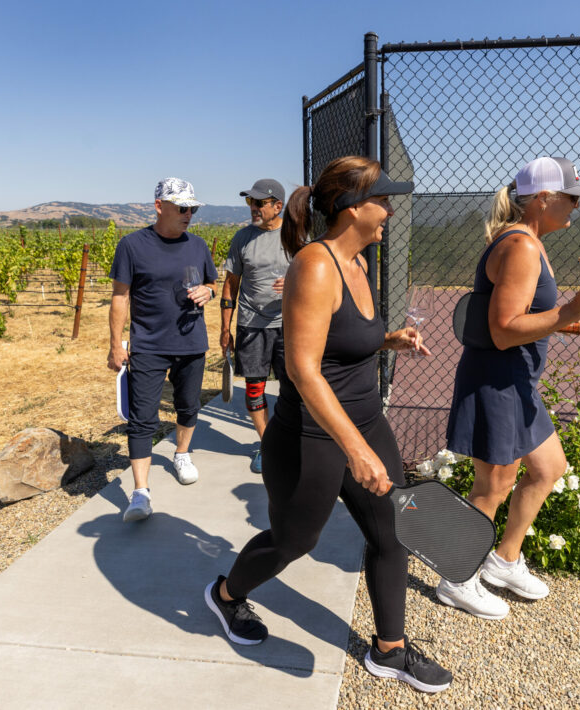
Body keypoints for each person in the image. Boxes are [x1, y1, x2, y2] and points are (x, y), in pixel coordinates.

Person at [204, 156, 453, 694]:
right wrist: (355, 451)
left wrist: (389, 340)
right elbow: (302, 368)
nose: (389, 210)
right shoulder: (316, 265)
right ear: (350, 207)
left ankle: (390, 649)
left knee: (392, 534)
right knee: (294, 542)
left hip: (363, 420)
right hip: (310, 437)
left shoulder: (361, 263)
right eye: (382, 200)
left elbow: (341, 344)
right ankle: (225, 594)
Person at [438, 157, 580, 619]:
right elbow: (501, 330)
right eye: (571, 196)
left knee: (549, 468)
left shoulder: (533, 242)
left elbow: (521, 314)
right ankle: (456, 578)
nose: (577, 203)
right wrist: (569, 309)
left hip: (519, 383)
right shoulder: (519, 247)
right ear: (542, 199)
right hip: (497, 381)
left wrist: (566, 320)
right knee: (493, 484)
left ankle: (504, 561)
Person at [107, 177, 218, 522]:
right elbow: (120, 296)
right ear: (159, 207)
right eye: (182, 208)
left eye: (192, 209)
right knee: (142, 419)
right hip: (149, 345)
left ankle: (181, 453)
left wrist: (209, 292)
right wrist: (115, 344)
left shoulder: (198, 246)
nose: (188, 214)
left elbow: (213, 282)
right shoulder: (132, 245)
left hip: (191, 342)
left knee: (187, 406)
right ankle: (140, 493)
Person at [219, 178, 290, 473]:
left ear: (278, 206)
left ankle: (293, 442)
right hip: (251, 325)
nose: (254, 208)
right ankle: (268, 445)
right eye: (251, 202)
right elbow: (229, 286)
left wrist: (296, 281)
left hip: (290, 324)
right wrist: (225, 329)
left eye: (260, 202)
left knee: (295, 389)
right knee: (254, 390)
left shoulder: (297, 236)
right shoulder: (242, 238)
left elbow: (318, 276)